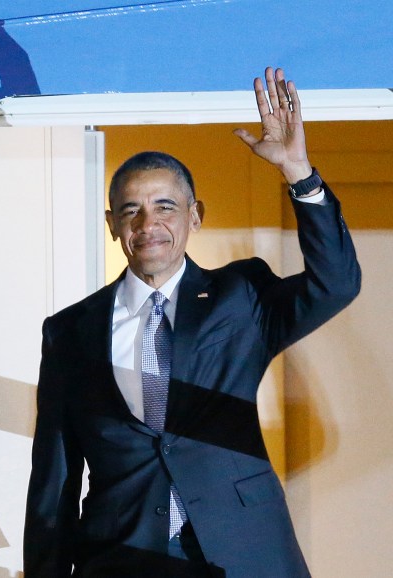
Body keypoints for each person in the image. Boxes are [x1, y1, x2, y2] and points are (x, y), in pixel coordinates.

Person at [23, 67, 361, 577]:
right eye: (130, 210)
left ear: (194, 215)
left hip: (246, 550)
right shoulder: (70, 331)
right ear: (113, 224)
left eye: (165, 207)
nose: (148, 224)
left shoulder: (240, 295)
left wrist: (299, 173)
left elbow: (336, 284)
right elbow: (55, 478)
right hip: (124, 556)